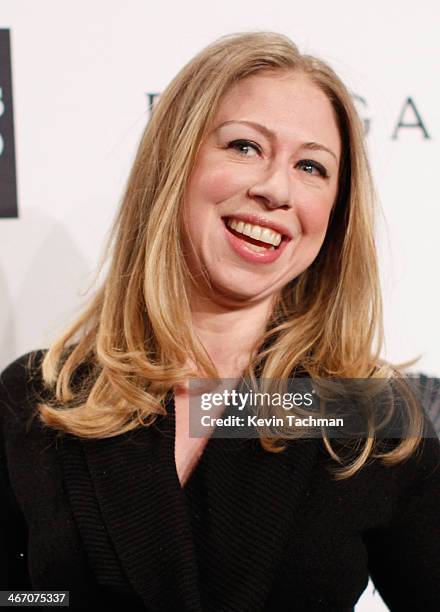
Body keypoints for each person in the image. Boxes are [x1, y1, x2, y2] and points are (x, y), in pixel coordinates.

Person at [1, 31, 439, 611]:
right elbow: (21, 599)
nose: (276, 188)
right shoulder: (36, 397)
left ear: (334, 215)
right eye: (244, 147)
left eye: (311, 166)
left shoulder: (371, 415)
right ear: (174, 164)